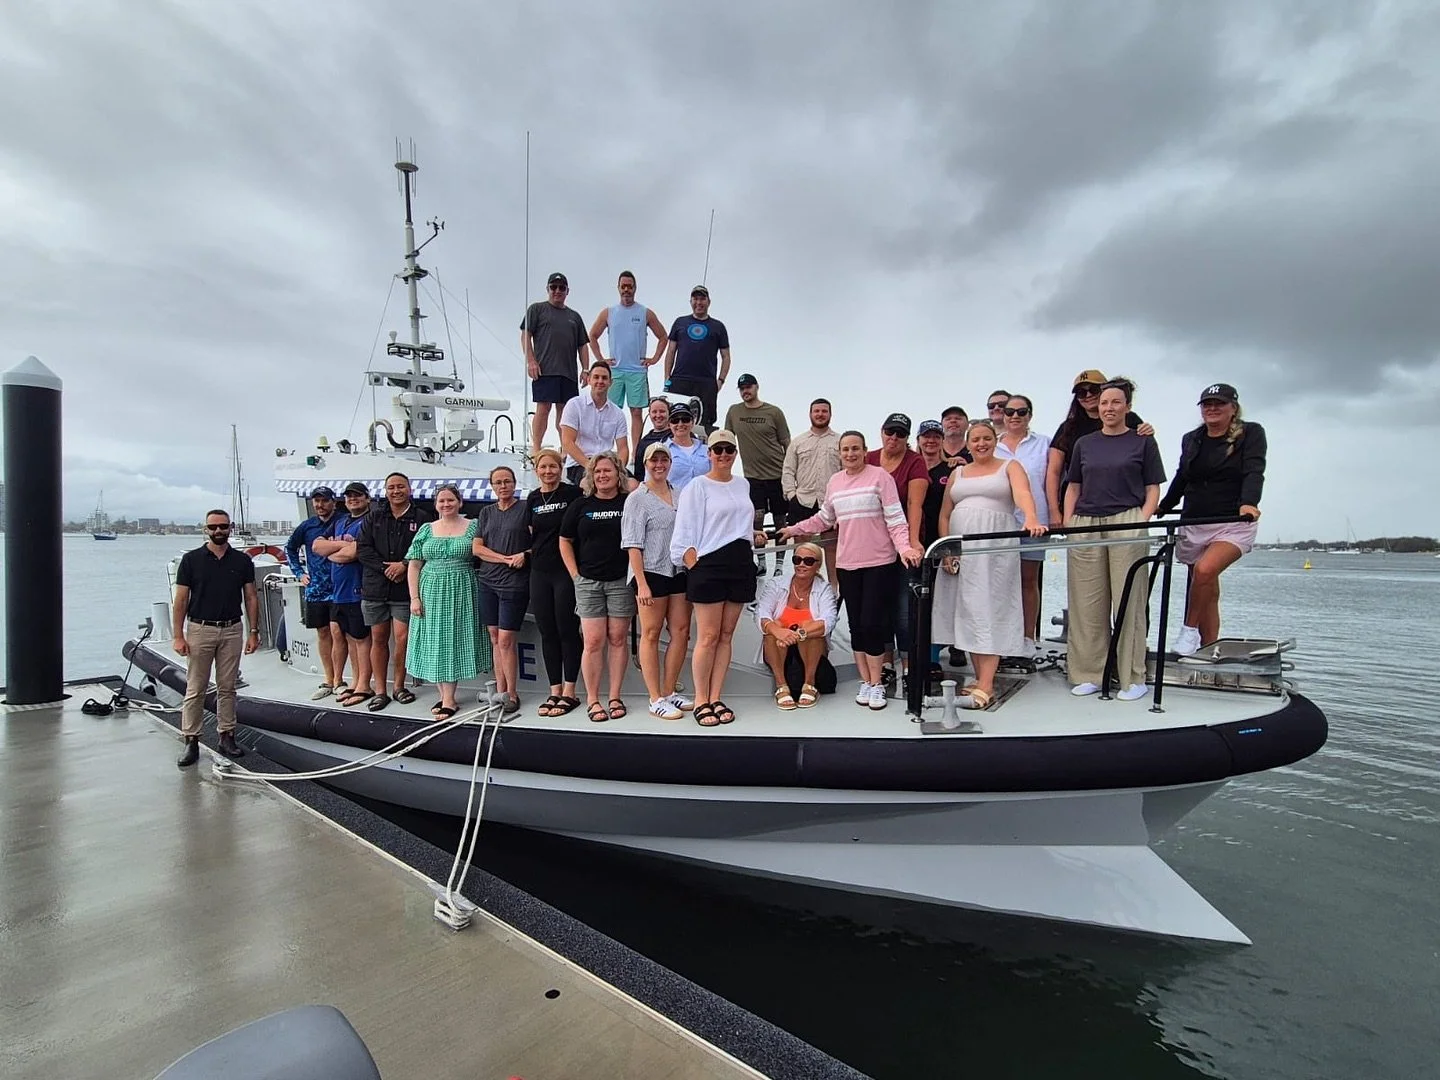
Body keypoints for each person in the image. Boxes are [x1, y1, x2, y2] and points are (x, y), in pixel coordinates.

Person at [782, 431, 923, 711]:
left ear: (864, 450)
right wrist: (793, 529)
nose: (850, 454)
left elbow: (895, 518)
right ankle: (867, 682)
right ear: (840, 453)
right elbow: (825, 518)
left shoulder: (880, 477)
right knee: (856, 625)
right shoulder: (835, 482)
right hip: (847, 565)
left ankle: (878, 684)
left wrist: (905, 548)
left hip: (879, 563)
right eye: (845, 450)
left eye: (855, 449)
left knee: (874, 623)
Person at [932, 420, 1048, 710]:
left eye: (986, 438)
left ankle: (986, 683)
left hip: (993, 549)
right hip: (962, 548)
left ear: (994, 440)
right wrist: (948, 547)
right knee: (966, 608)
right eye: (976, 440)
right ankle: (978, 676)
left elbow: (1023, 494)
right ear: (968, 444)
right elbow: (946, 513)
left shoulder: (1009, 467)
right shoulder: (958, 472)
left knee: (989, 606)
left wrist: (1031, 517)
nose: (981, 444)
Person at [1063, 380, 1167, 701]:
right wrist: (1068, 523)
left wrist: (1141, 519)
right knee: (1086, 603)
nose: (1109, 408)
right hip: (1086, 522)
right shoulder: (1085, 443)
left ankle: (1132, 676)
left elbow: (1153, 487)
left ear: (1127, 406)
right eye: (1104, 402)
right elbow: (1073, 486)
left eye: (1115, 402)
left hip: (1126, 518)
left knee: (1129, 599)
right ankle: (1089, 672)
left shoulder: (1143, 441)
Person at [1157, 382, 1267, 654]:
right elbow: (1183, 476)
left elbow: (1254, 470)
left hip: (1232, 521)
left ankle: (1189, 630)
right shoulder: (1192, 438)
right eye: (1207, 404)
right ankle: (1208, 650)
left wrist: (1249, 503)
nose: (1213, 409)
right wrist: (1163, 505)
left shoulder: (1250, 433)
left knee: (1205, 571)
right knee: (1207, 588)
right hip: (1194, 520)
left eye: (1219, 404)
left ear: (1233, 408)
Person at [670, 429, 767, 726]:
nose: (724, 454)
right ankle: (701, 700)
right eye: (718, 449)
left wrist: (753, 535)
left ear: (735, 454)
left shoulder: (743, 485)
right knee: (708, 637)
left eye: (729, 450)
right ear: (709, 454)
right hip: (709, 564)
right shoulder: (697, 487)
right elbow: (684, 532)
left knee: (726, 636)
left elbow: (736, 523)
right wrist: (693, 565)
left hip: (740, 563)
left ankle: (715, 696)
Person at [172, 509, 260, 767]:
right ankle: (191, 740)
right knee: (195, 688)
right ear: (206, 529)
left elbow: (251, 597)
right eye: (213, 527)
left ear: (230, 528)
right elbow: (181, 600)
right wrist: (178, 635)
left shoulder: (242, 561)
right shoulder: (190, 560)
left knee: (227, 687)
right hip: (201, 629)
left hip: (232, 628)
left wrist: (254, 632)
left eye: (223, 526)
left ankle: (227, 736)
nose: (218, 531)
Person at [559, 451, 635, 723]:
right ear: (592, 476)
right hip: (588, 582)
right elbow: (564, 540)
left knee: (617, 638)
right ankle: (592, 698)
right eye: (598, 472)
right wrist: (575, 575)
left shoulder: (629, 503)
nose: (603, 476)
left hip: (620, 582)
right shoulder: (580, 506)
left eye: (608, 471)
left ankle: (614, 696)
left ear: (618, 474)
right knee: (592, 641)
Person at [622, 442, 693, 720]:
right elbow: (632, 544)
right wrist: (641, 583)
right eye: (654, 460)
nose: (659, 464)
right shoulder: (637, 498)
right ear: (646, 463)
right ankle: (655, 698)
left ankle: (669, 690)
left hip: (678, 571)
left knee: (681, 631)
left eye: (664, 459)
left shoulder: (679, 494)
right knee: (650, 634)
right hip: (650, 572)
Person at [405, 484, 486, 718]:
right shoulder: (427, 529)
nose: (446, 504)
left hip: (462, 589)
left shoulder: (473, 526)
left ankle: (449, 699)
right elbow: (414, 564)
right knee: (435, 640)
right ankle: (445, 697)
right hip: (430, 590)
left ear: (459, 502)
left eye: (450, 500)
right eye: (441, 501)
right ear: (436, 504)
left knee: (452, 640)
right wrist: (414, 598)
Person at [356, 472, 432, 712]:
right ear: (385, 491)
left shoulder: (421, 518)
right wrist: (384, 568)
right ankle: (380, 691)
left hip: (405, 589)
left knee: (402, 639)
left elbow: (426, 549)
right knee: (378, 638)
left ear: (409, 489)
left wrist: (404, 565)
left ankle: (399, 686)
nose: (396, 491)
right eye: (391, 487)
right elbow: (362, 549)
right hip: (375, 587)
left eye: (400, 486)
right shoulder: (373, 517)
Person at [867, 413, 929, 691]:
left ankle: (909, 667)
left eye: (901, 434)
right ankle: (886, 664)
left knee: (904, 611)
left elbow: (915, 505)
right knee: (878, 609)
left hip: (902, 546)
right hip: (873, 548)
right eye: (890, 432)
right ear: (881, 432)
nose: (894, 438)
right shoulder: (868, 458)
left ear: (907, 438)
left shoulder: (914, 461)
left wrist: (912, 542)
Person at [1046, 369, 1152, 529]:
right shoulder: (1068, 428)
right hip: (1081, 511)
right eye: (1081, 392)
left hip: (1126, 510)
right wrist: (1055, 511)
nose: (1088, 395)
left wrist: (1145, 512)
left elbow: (1147, 465)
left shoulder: (1131, 420)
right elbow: (1054, 471)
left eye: (1093, 390)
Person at [526, 448, 583, 717]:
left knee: (567, 630)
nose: (548, 471)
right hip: (540, 571)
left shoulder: (572, 494)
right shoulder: (533, 498)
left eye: (553, 466)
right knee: (547, 631)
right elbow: (530, 533)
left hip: (565, 572)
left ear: (561, 468)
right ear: (536, 470)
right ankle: (554, 691)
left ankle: (570, 691)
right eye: (543, 467)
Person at [994, 395, 1052, 651]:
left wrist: (1056, 514)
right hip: (1000, 523)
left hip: (1034, 522)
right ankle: (1003, 637)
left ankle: (1028, 637)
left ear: (1030, 414)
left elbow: (1054, 480)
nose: (1015, 416)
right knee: (1001, 583)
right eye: (1009, 412)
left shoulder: (1045, 445)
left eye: (1021, 411)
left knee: (1029, 580)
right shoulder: (992, 446)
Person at [589, 270, 668, 457]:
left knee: (636, 413)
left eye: (629, 286)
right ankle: (605, 451)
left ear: (635, 288)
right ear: (618, 288)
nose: (626, 290)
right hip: (615, 371)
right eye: (623, 286)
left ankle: (635, 454)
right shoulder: (609, 312)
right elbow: (592, 336)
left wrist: (654, 358)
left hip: (637, 371)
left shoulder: (644, 312)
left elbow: (663, 336)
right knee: (608, 411)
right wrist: (601, 359)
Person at [472, 466, 531, 715]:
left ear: (514, 483)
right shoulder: (486, 512)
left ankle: (512, 693)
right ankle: (500, 689)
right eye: (498, 482)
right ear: (492, 486)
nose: (503, 486)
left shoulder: (525, 510)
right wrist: (505, 559)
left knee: (507, 639)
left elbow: (539, 543)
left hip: (514, 584)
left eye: (507, 481)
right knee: (495, 637)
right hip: (487, 581)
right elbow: (477, 548)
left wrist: (524, 555)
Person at [755, 541, 839, 710]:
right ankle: (781, 685)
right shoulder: (776, 583)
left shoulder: (824, 589)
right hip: (779, 647)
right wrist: (779, 631)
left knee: (811, 627)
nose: (801, 564)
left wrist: (799, 633)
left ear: (818, 566)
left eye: (808, 561)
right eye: (797, 560)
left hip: (811, 650)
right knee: (773, 626)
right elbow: (761, 612)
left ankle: (809, 684)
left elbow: (829, 620)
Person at [724, 373, 791, 577]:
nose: (746, 391)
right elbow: (727, 440)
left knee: (781, 522)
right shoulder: (734, 412)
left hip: (777, 475)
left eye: (749, 387)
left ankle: (779, 565)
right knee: (755, 520)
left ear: (756, 387)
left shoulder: (774, 412)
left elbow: (787, 443)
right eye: (742, 388)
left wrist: (791, 474)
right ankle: (761, 562)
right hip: (752, 478)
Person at [312, 482, 374, 706]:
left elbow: (353, 553)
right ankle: (356, 682)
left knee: (362, 639)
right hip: (338, 593)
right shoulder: (340, 522)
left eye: (358, 496)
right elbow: (317, 546)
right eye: (349, 496)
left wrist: (333, 550)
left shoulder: (370, 521)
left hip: (357, 590)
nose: (353, 499)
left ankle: (364, 685)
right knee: (348, 637)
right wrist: (340, 547)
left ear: (367, 498)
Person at [284, 485, 343, 700]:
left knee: (340, 633)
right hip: (316, 590)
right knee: (323, 633)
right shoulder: (307, 526)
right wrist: (299, 573)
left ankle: (340, 680)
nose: (320, 505)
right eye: (316, 501)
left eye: (324, 500)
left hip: (340, 589)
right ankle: (329, 679)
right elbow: (289, 549)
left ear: (333, 502)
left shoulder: (343, 522)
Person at [522, 271, 590, 455]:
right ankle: (536, 449)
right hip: (544, 369)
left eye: (562, 288)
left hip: (568, 372)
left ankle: (566, 450)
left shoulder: (574, 316)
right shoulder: (536, 309)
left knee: (566, 413)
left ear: (567, 291)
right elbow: (525, 335)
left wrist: (586, 369)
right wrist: (530, 361)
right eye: (554, 287)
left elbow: (583, 344)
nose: (557, 291)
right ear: (548, 289)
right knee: (543, 408)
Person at [781, 397, 842, 588]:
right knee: (801, 549)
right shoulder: (798, 442)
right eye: (817, 411)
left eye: (824, 411)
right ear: (810, 414)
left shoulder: (840, 441)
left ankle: (833, 590)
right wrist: (791, 495)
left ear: (830, 414)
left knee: (832, 548)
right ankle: (802, 587)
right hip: (803, 500)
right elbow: (788, 470)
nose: (820, 414)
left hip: (831, 502)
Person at [662, 284, 730, 432]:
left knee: (704, 426)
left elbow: (726, 356)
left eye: (702, 299)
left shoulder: (718, 326)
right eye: (695, 299)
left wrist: (720, 381)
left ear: (708, 302)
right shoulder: (680, 322)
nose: (699, 302)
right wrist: (667, 377)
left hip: (706, 383)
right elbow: (670, 351)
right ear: (691, 302)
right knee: (675, 421)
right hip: (680, 380)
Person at [560, 361, 631, 487]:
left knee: (633, 485)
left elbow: (623, 448)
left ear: (611, 382)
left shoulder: (618, 413)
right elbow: (567, 442)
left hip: (608, 463)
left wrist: (619, 469)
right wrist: (591, 466)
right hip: (580, 464)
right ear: (588, 380)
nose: (600, 381)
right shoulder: (574, 405)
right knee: (589, 484)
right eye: (596, 377)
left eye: (604, 378)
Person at [664, 401, 709, 493]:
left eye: (685, 419)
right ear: (669, 425)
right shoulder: (662, 450)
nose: (680, 424)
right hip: (674, 505)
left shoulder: (707, 450)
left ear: (692, 423)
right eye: (675, 420)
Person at [632, 395, 672, 479]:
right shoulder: (643, 442)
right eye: (654, 412)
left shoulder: (678, 436)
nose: (658, 415)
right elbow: (639, 474)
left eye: (662, 411)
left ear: (669, 413)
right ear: (649, 414)